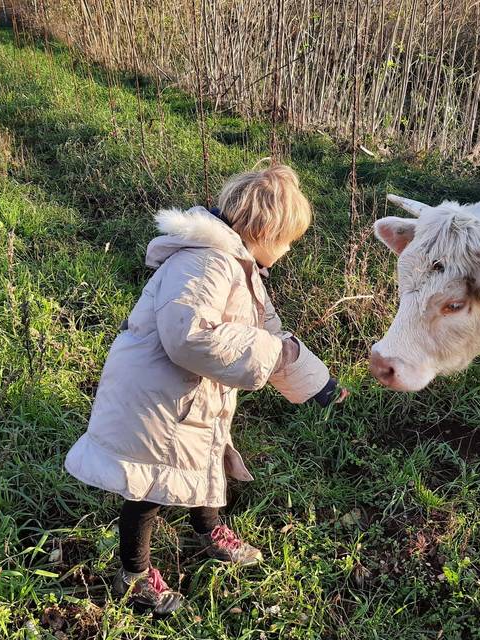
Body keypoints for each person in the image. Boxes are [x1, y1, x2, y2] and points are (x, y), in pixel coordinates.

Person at [64, 162, 347, 615]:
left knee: (204, 461)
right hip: (158, 400)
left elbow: (271, 334)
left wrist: (317, 381)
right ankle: (133, 575)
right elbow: (189, 336)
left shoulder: (239, 265)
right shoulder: (207, 262)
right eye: (289, 240)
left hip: (192, 395)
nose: (290, 250)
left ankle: (207, 529)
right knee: (149, 487)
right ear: (266, 230)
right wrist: (272, 353)